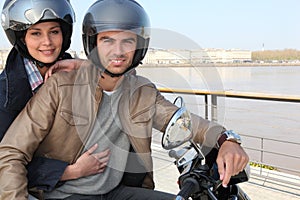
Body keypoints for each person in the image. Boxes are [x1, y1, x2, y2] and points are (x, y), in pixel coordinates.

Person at [0, 0, 249, 199]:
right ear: (93, 43)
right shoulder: (59, 85)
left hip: (117, 191)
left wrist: (225, 139)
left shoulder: (142, 90)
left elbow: (184, 122)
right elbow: (11, 152)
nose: (118, 51)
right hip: (65, 193)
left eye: (127, 41)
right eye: (107, 40)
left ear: (138, 46)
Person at [0, 0, 109, 197]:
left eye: (54, 31)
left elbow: (127, 81)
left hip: (89, 185)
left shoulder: (77, 73)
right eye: (36, 33)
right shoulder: (3, 95)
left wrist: (84, 66)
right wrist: (69, 171)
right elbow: (5, 165)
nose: (47, 42)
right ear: (22, 38)